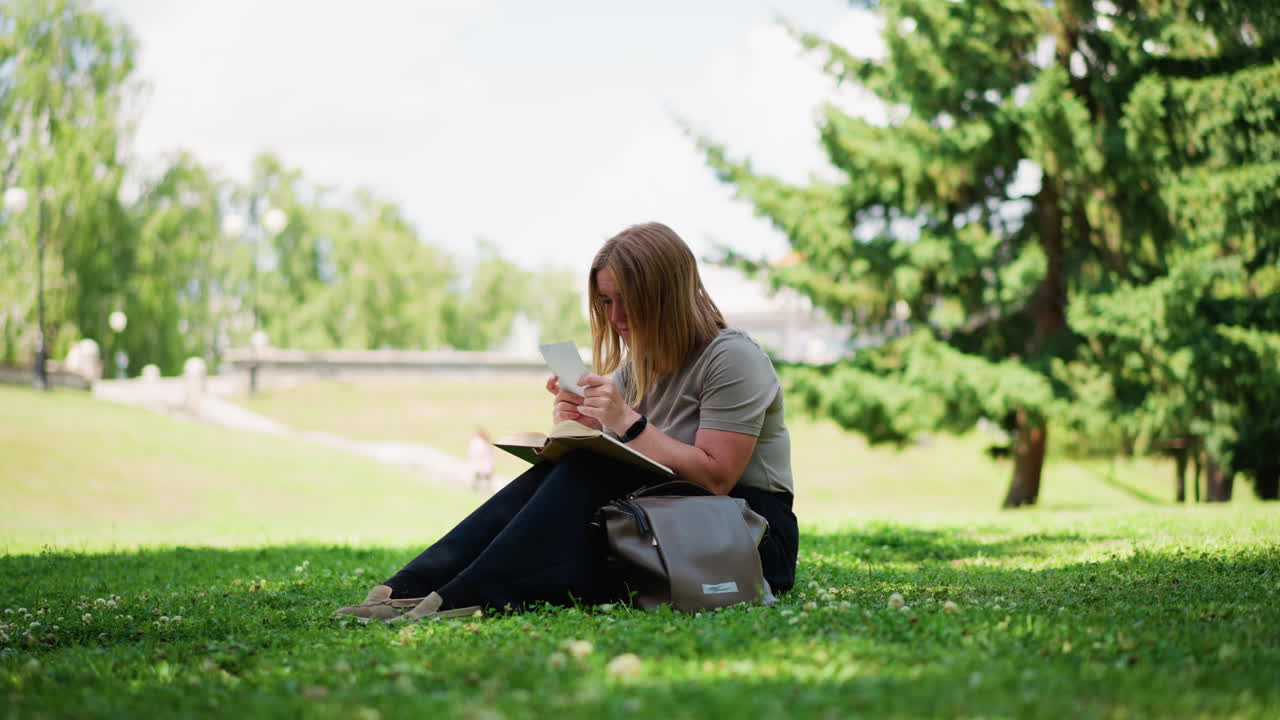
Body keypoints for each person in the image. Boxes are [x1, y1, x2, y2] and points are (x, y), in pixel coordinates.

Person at [335, 222, 799, 622]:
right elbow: (636, 461)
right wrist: (585, 428)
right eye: (606, 301)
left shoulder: (732, 357)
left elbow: (717, 478)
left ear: (666, 295)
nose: (615, 318)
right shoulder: (639, 364)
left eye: (628, 301)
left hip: (746, 537)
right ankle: (418, 585)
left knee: (588, 474)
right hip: (667, 521)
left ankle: (472, 592)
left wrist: (626, 423)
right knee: (566, 467)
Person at [467, 428, 495, 492]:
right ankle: (476, 488)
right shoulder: (482, 442)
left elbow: (478, 453)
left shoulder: (481, 442)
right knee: (480, 477)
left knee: (485, 477)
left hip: (483, 463)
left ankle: (486, 489)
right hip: (483, 463)